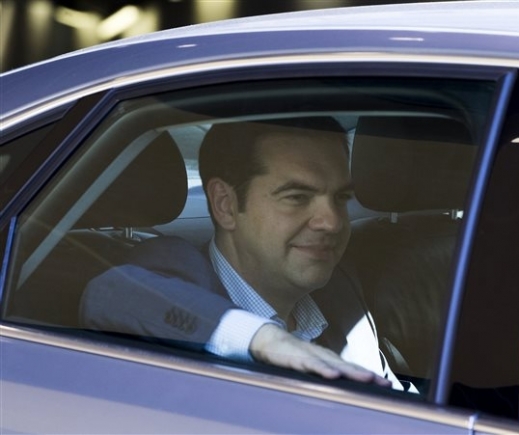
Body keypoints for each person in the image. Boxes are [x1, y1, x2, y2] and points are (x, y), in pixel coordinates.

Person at [81, 117, 415, 392]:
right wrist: (262, 338)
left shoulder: (339, 292)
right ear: (225, 205)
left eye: (340, 199)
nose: (332, 222)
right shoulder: (176, 268)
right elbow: (111, 294)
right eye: (297, 197)